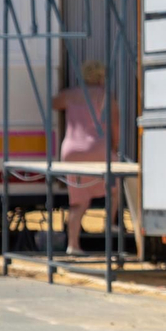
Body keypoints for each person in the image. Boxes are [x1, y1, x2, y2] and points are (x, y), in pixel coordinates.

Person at [53, 60, 118, 255]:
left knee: (78, 200)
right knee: (115, 188)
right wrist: (114, 148)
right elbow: (116, 127)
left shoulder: (70, 95)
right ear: (100, 77)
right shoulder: (106, 96)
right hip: (97, 148)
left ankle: (73, 244)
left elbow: (52, 103)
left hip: (71, 151)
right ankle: (110, 223)